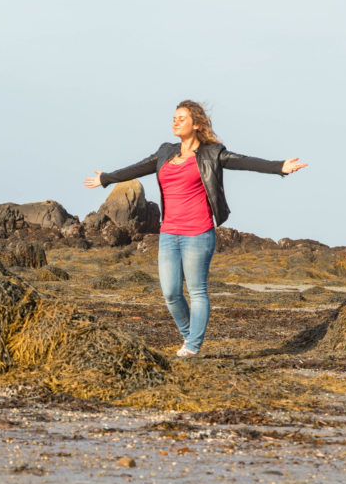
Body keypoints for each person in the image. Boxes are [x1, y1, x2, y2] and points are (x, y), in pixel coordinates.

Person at [83, 100, 307, 357]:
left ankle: (192, 346)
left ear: (197, 124)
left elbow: (243, 161)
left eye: (181, 118)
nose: (175, 121)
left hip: (198, 233)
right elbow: (137, 168)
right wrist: (106, 178)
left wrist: (279, 167)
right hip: (168, 232)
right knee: (170, 293)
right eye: (174, 118)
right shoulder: (166, 152)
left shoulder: (212, 153)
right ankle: (191, 336)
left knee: (197, 290)